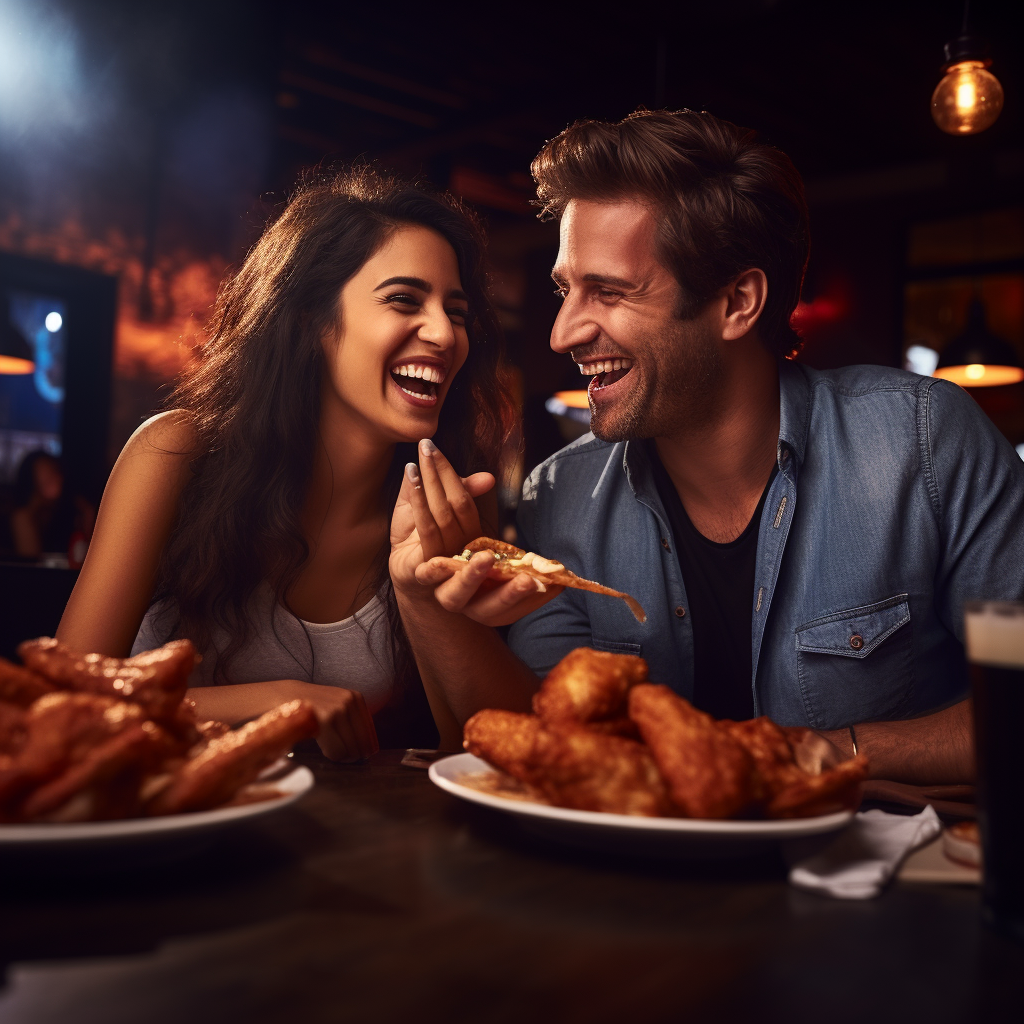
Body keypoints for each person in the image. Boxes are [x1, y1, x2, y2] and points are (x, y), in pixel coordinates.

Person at [392, 109, 1024, 783]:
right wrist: (424, 600)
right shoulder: (562, 496)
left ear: (737, 302)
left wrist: (834, 751)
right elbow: (550, 744)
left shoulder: (924, 444)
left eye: (609, 291)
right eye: (565, 291)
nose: (563, 333)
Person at [58, 167, 514, 760]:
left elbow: (473, 751)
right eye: (404, 299)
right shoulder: (175, 455)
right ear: (309, 320)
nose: (444, 334)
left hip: (332, 844)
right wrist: (272, 701)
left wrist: (427, 597)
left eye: (455, 311)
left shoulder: (453, 499)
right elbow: (63, 700)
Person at [10, 450, 94, 561]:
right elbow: (31, 565)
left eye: (55, 470)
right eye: (46, 472)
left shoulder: (67, 510)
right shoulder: (22, 516)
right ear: (31, 478)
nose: (56, 477)